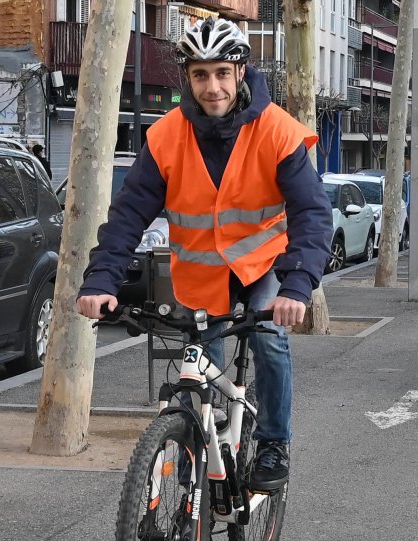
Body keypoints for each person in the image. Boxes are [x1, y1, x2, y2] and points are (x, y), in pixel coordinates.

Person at [75, 17, 331, 491]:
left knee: (269, 337)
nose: (212, 87)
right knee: (198, 365)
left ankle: (274, 441)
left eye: (221, 73)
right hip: (200, 274)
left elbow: (312, 214)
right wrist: (101, 280)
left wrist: (297, 285)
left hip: (263, 267)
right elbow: (129, 215)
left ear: (240, 72)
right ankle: (198, 447)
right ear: (187, 78)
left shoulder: (276, 131)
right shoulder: (167, 136)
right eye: (200, 74)